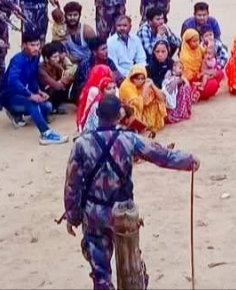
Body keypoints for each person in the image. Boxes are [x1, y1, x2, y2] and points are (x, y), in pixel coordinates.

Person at [63, 95, 200, 290]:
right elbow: (161, 156)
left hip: (94, 212)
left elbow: (72, 184)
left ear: (98, 115)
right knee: (131, 265)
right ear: (119, 116)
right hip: (123, 213)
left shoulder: (82, 144)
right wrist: (188, 160)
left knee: (100, 275)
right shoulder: (129, 139)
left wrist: (73, 216)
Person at [0, 32, 69, 145]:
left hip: (21, 94)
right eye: (32, 45)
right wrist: (30, 95)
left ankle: (16, 113)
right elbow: (13, 81)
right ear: (24, 45)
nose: (36, 48)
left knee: (47, 106)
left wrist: (38, 91)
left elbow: (32, 77)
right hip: (9, 95)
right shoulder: (18, 60)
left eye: (37, 45)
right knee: (32, 103)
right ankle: (45, 133)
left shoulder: (35, 57)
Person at [119, 65, 166, 132]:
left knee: (157, 101)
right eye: (137, 79)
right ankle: (138, 127)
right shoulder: (126, 86)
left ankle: (149, 123)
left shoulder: (145, 83)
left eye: (142, 78)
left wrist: (152, 85)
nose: (140, 81)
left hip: (142, 110)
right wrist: (145, 89)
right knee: (134, 108)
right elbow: (137, 105)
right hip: (130, 112)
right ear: (132, 78)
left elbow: (162, 98)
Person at [180, 29, 223, 101]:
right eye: (194, 41)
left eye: (198, 40)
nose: (197, 43)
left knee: (220, 73)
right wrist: (203, 74)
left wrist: (206, 72)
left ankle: (200, 92)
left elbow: (207, 53)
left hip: (202, 75)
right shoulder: (185, 57)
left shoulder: (199, 48)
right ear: (187, 42)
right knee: (213, 84)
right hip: (193, 80)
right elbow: (188, 77)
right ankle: (197, 93)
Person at [76, 65, 116, 132]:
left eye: (114, 88)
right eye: (109, 89)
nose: (113, 90)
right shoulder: (94, 92)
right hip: (93, 125)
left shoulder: (111, 86)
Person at [38, 41, 73, 114]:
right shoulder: (41, 70)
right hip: (43, 96)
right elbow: (57, 86)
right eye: (54, 57)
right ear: (46, 59)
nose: (58, 59)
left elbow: (69, 77)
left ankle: (55, 107)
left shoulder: (56, 65)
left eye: (57, 56)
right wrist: (61, 82)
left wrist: (61, 81)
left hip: (52, 91)